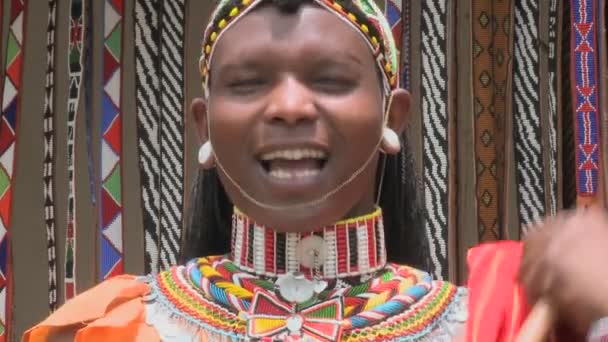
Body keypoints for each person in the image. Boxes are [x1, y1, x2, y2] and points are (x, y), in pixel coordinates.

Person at [24, 0, 608, 341]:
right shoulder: (114, 328)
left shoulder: (490, 325)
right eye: (249, 84)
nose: (289, 107)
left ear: (392, 117)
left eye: (330, 80)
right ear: (205, 125)